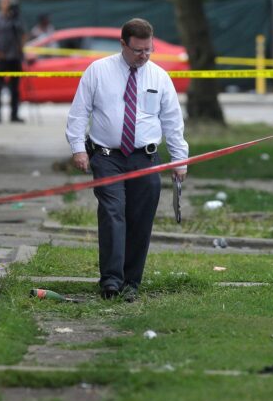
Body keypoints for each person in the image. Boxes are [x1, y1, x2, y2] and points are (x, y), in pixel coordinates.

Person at [66, 18, 189, 301]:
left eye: (149, 50)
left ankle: (131, 282)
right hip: (107, 157)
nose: (144, 55)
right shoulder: (98, 71)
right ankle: (111, 280)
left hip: (145, 159)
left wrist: (179, 159)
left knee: (140, 219)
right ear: (123, 44)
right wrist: (78, 147)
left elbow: (172, 121)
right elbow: (79, 111)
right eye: (137, 50)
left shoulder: (159, 77)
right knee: (112, 214)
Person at [0, 0, 27, 123]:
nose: (7, 4)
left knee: (15, 88)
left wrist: (21, 47)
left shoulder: (17, 18)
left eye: (9, 2)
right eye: (5, 2)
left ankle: (14, 114)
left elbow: (24, 34)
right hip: (1, 57)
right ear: (0, 4)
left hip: (15, 57)